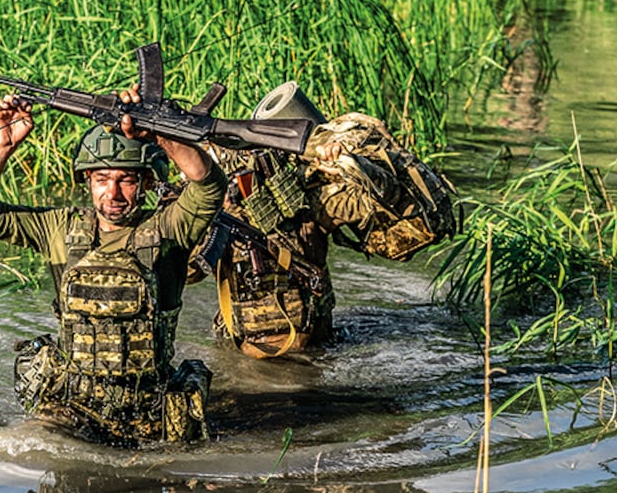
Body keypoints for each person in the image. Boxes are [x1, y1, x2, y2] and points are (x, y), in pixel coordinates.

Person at [0, 87, 228, 445]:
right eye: (102, 179)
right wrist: (2, 146)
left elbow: (209, 186)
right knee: (33, 446)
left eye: (126, 180)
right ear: (88, 180)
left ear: (147, 181)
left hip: (150, 411)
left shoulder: (169, 228)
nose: (112, 193)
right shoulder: (60, 228)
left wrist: (158, 133)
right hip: (72, 407)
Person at [190, 82, 461, 359]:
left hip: (303, 346)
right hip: (256, 347)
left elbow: (406, 223)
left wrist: (349, 166)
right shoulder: (216, 209)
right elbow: (188, 272)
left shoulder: (314, 197)